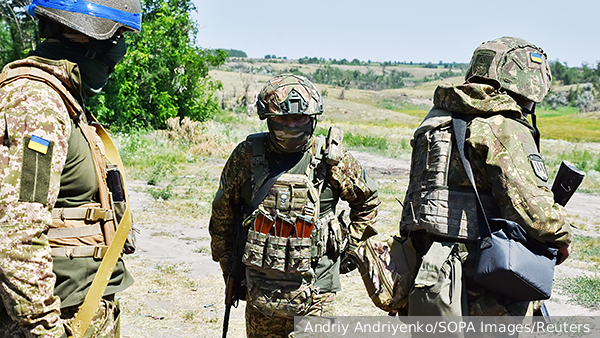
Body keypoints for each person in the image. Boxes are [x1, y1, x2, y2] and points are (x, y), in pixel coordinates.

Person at [399, 37, 572, 319]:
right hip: (483, 277)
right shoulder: (501, 126)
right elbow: (537, 217)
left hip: (429, 271)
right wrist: (560, 236)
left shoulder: (435, 122)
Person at [0, 1, 141, 337]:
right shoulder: (35, 102)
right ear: (83, 35)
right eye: (118, 35)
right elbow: (16, 233)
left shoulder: (59, 96)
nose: (119, 48)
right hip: (60, 318)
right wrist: (44, 328)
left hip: (81, 308)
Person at [210, 74, 380, 337]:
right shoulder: (247, 155)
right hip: (261, 289)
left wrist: (349, 251)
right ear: (267, 118)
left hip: (316, 291)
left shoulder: (331, 158)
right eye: (282, 119)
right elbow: (223, 215)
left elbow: (367, 201)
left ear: (312, 118)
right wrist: (230, 268)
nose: (290, 126)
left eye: (299, 118)